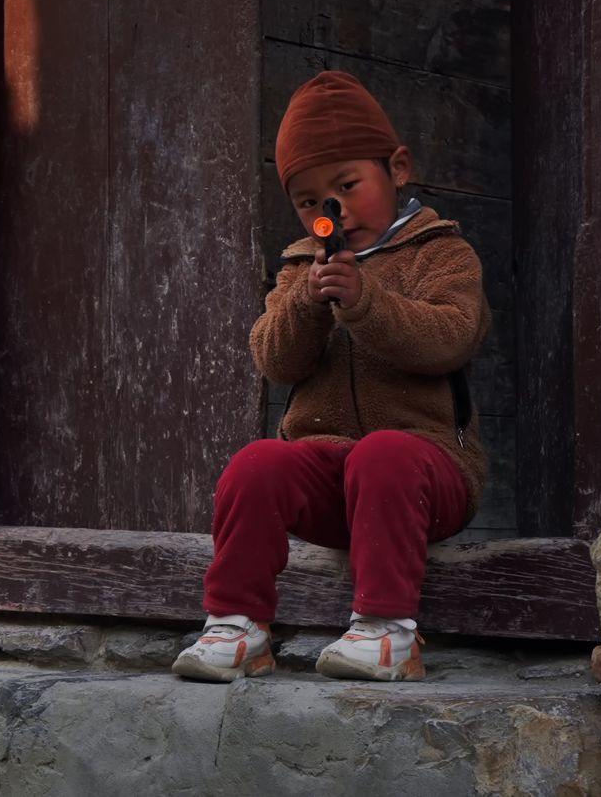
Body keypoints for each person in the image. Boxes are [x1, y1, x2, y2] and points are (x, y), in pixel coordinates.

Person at [172, 71, 490, 683]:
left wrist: (366, 302)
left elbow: (450, 336)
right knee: (256, 464)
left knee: (385, 454)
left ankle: (387, 632)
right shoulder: (300, 266)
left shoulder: (442, 252)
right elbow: (274, 360)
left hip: (424, 474)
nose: (331, 211)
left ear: (397, 169)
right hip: (331, 478)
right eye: (311, 200)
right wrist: (307, 304)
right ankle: (237, 627)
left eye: (348, 186)